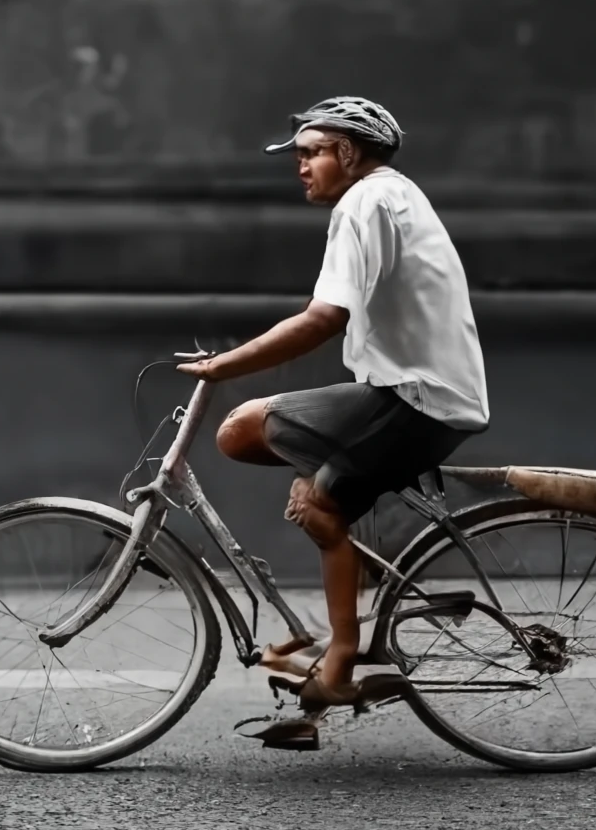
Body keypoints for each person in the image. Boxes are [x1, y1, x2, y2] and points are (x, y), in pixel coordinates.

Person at [176, 96, 489, 718]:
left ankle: (342, 659)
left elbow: (325, 318)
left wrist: (225, 365)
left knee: (248, 436)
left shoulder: (365, 202)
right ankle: (353, 600)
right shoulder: (392, 195)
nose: (301, 166)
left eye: (311, 152)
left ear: (348, 153)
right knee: (251, 440)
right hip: (413, 394)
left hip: (414, 398)